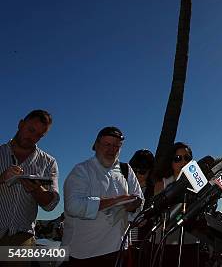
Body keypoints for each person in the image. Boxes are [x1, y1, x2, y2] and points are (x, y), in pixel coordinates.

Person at [62, 126, 143, 266]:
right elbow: (73, 206)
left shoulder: (126, 170)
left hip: (118, 250)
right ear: (96, 145)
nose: (112, 150)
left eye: (117, 146)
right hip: (84, 254)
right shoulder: (82, 170)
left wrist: (134, 205)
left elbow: (139, 199)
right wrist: (116, 201)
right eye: (107, 144)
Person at [0, 110, 59, 250]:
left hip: (22, 236)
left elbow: (51, 205)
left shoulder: (48, 162)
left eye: (39, 135)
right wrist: (1, 178)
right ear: (20, 124)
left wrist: (36, 190)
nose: (32, 137)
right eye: (31, 130)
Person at [152, 142, 200, 266]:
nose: (183, 162)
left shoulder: (199, 185)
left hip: (190, 242)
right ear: (171, 162)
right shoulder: (161, 184)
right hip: (165, 243)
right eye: (178, 158)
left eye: (187, 158)